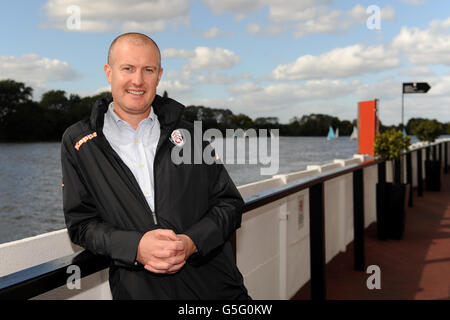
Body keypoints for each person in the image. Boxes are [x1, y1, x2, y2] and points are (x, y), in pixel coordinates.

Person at [61, 32, 250, 299]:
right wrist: (135, 246)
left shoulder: (191, 135)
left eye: (148, 70)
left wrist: (191, 243)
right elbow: (81, 225)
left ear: (159, 75)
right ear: (108, 72)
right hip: (140, 292)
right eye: (128, 68)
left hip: (218, 290)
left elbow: (229, 204)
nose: (137, 80)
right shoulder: (79, 142)